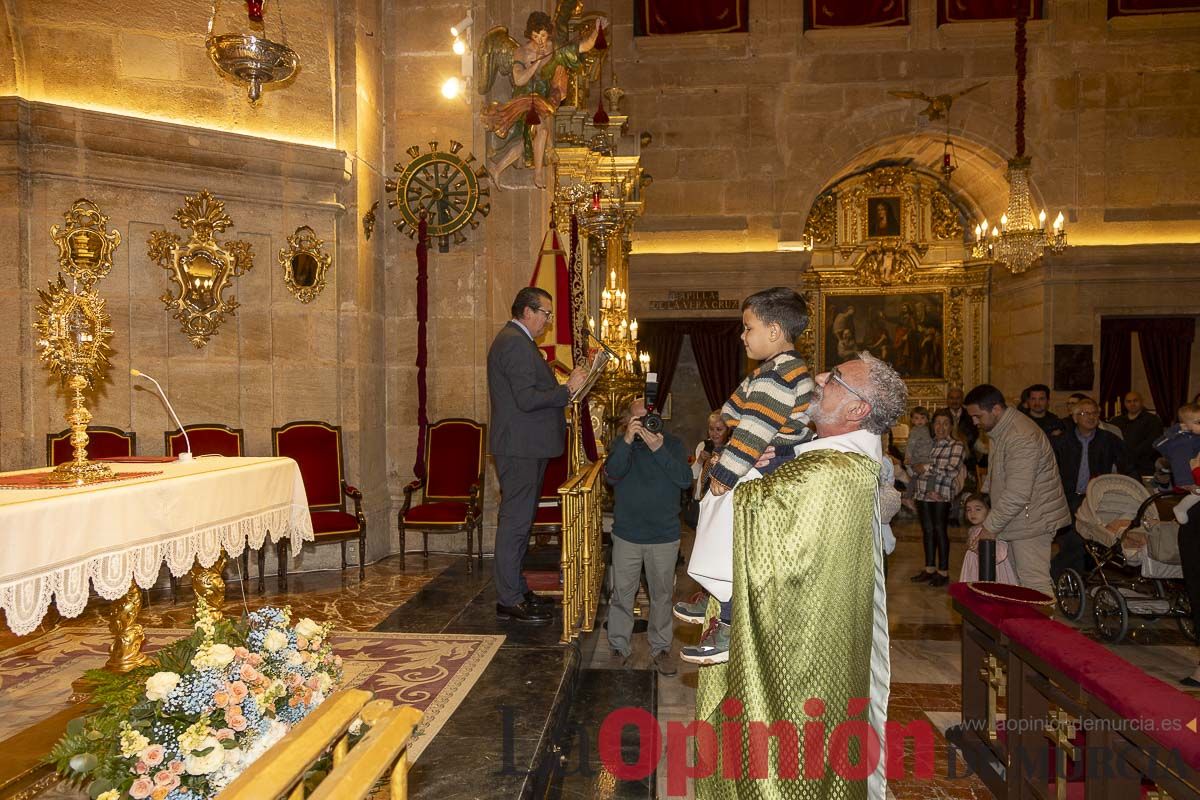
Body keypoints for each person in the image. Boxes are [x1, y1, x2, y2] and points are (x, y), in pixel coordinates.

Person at [694, 352, 907, 800]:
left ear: (857, 410)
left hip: (799, 655)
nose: (819, 378)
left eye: (836, 379)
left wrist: (740, 468)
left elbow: (758, 521)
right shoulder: (831, 459)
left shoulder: (831, 471)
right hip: (807, 630)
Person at [676, 287, 815, 665]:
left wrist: (725, 473)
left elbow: (752, 429)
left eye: (747, 327)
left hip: (765, 466)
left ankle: (726, 619)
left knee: (726, 530)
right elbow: (733, 409)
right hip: (763, 459)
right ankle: (714, 593)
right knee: (717, 525)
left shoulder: (777, 376)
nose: (742, 335)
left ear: (773, 331)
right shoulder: (777, 370)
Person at [487, 287, 587, 623]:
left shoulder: (517, 341)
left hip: (525, 446)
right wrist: (567, 389)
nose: (547, 320)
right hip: (520, 448)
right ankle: (508, 598)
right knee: (515, 524)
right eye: (545, 313)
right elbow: (527, 399)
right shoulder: (514, 342)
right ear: (527, 311)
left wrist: (563, 389)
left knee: (521, 521)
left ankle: (516, 589)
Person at [604, 398, 693, 676]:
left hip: (664, 536)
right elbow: (612, 475)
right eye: (637, 419)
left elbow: (684, 479)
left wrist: (658, 448)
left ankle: (661, 648)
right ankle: (619, 646)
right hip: (628, 534)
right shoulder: (621, 445)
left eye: (647, 419)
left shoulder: (674, 445)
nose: (643, 425)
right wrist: (628, 440)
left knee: (662, 595)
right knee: (622, 595)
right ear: (628, 420)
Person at [964, 384, 1071, 595]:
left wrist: (990, 527)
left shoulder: (1020, 436)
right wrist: (982, 497)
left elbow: (1017, 493)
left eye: (978, 416)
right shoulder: (1001, 429)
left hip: (1033, 520)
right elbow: (1000, 474)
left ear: (995, 409)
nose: (975, 422)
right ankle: (1022, 627)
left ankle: (1042, 628)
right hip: (1019, 518)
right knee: (1015, 582)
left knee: (1034, 584)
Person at [480, 12, 604, 188]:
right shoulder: (521, 52)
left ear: (549, 34)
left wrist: (597, 30)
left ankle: (497, 169)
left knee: (527, 141)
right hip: (524, 100)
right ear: (530, 34)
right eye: (536, 36)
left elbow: (584, 46)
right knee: (543, 133)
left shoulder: (554, 49)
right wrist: (536, 63)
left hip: (541, 102)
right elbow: (519, 80)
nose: (540, 40)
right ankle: (537, 175)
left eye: (543, 36)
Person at [1049, 398, 1136, 580]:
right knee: (1074, 538)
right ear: (1075, 418)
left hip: (1096, 498)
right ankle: (1069, 577)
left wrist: (1135, 492)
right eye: (1084, 413)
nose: (1090, 417)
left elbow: (1128, 467)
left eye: (1094, 413)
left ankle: (1066, 576)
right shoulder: (1061, 441)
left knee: (1080, 538)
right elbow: (1049, 470)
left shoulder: (1109, 440)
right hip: (1067, 496)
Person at [910, 410, 967, 587]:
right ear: (932, 425)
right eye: (937, 423)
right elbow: (913, 466)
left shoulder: (956, 445)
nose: (940, 427)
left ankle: (943, 572)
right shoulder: (928, 442)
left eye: (945, 423)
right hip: (922, 492)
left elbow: (951, 470)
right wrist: (918, 468)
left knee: (939, 530)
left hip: (942, 493)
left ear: (951, 426)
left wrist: (925, 468)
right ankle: (929, 569)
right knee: (927, 531)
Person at [959, 494, 1019, 584]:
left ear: (989, 511)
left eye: (978, 509)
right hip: (974, 567)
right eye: (968, 510)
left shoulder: (992, 532)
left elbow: (1000, 554)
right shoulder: (972, 530)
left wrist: (979, 550)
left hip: (992, 570)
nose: (972, 513)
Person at [1108, 391, 1164, 476]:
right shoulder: (1116, 421)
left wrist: (1130, 456)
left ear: (1142, 401)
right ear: (1125, 403)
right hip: (1121, 467)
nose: (1132, 404)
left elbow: (1152, 442)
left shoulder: (1153, 420)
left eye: (1135, 401)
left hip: (1145, 466)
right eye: (1129, 401)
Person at [1155, 403, 1200, 490]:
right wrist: (1175, 429)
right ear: (1185, 425)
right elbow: (1157, 445)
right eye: (1199, 422)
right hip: (1184, 482)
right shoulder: (1177, 438)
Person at [900, 406, 931, 513]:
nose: (919, 421)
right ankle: (908, 497)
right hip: (917, 458)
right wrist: (908, 457)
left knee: (920, 477)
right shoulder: (915, 431)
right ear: (912, 420)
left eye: (922, 418)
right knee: (916, 477)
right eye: (916, 418)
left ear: (927, 419)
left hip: (926, 458)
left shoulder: (927, 430)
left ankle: (916, 497)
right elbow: (910, 445)